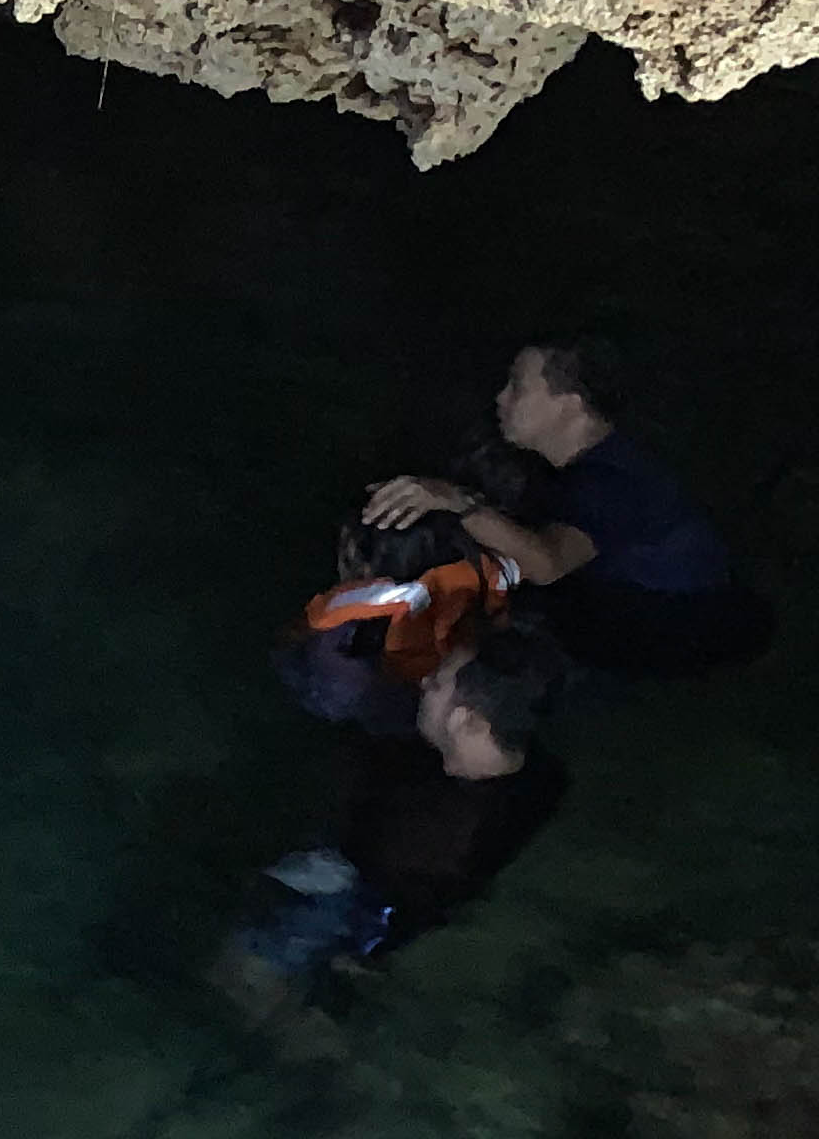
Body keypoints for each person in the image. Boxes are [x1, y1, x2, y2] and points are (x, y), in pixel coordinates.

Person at [361, 341, 773, 676]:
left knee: (518, 613)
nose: (501, 398)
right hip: (666, 609)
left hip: (687, 622)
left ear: (569, 405)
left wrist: (457, 502)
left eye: (517, 386)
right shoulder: (578, 470)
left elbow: (547, 563)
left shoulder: (610, 479)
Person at [223, 625, 573, 993]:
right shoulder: (541, 774)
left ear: (467, 720)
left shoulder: (417, 839)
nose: (424, 681)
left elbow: (365, 859)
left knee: (247, 965)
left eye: (438, 682)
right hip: (400, 883)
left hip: (355, 889)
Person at [274, 508, 519, 734]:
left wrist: (306, 624)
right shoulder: (487, 574)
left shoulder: (414, 594)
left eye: (349, 559)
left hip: (413, 681)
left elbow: (344, 605)